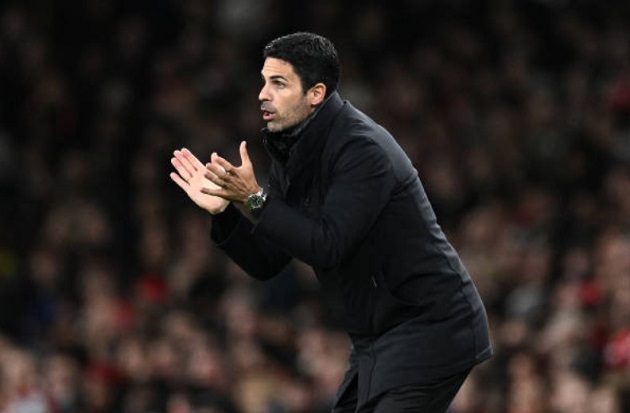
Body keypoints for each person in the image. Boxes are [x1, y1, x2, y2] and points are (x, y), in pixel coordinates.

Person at [169, 32, 492, 413]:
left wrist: (254, 198)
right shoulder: (293, 151)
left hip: (431, 328)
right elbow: (267, 261)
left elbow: (327, 245)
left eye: (278, 83)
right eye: (263, 81)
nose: (262, 94)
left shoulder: (361, 149)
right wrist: (224, 212)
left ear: (315, 94)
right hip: (377, 338)